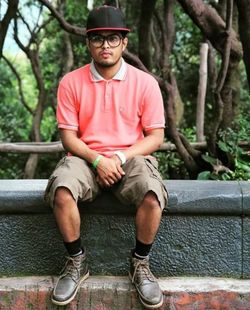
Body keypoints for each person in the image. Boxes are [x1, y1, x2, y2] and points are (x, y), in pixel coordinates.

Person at [44, 5, 168, 309]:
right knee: (61, 189)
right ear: (88, 43)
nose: (106, 46)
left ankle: (140, 264)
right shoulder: (70, 82)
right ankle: (77, 262)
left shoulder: (145, 83)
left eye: (113, 39)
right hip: (86, 158)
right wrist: (98, 160)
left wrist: (120, 157)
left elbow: (155, 137)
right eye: (98, 39)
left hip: (131, 158)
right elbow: (68, 138)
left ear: (124, 43)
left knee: (152, 194)